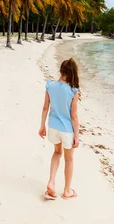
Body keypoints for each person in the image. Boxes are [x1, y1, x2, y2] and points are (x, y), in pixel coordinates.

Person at [38, 58, 80, 200]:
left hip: (53, 127)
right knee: (69, 159)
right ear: (73, 73)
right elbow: (74, 116)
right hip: (67, 130)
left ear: (61, 70)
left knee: (57, 153)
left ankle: (51, 182)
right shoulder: (73, 91)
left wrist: (42, 126)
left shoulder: (50, 85)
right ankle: (67, 191)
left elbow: (45, 107)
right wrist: (77, 135)